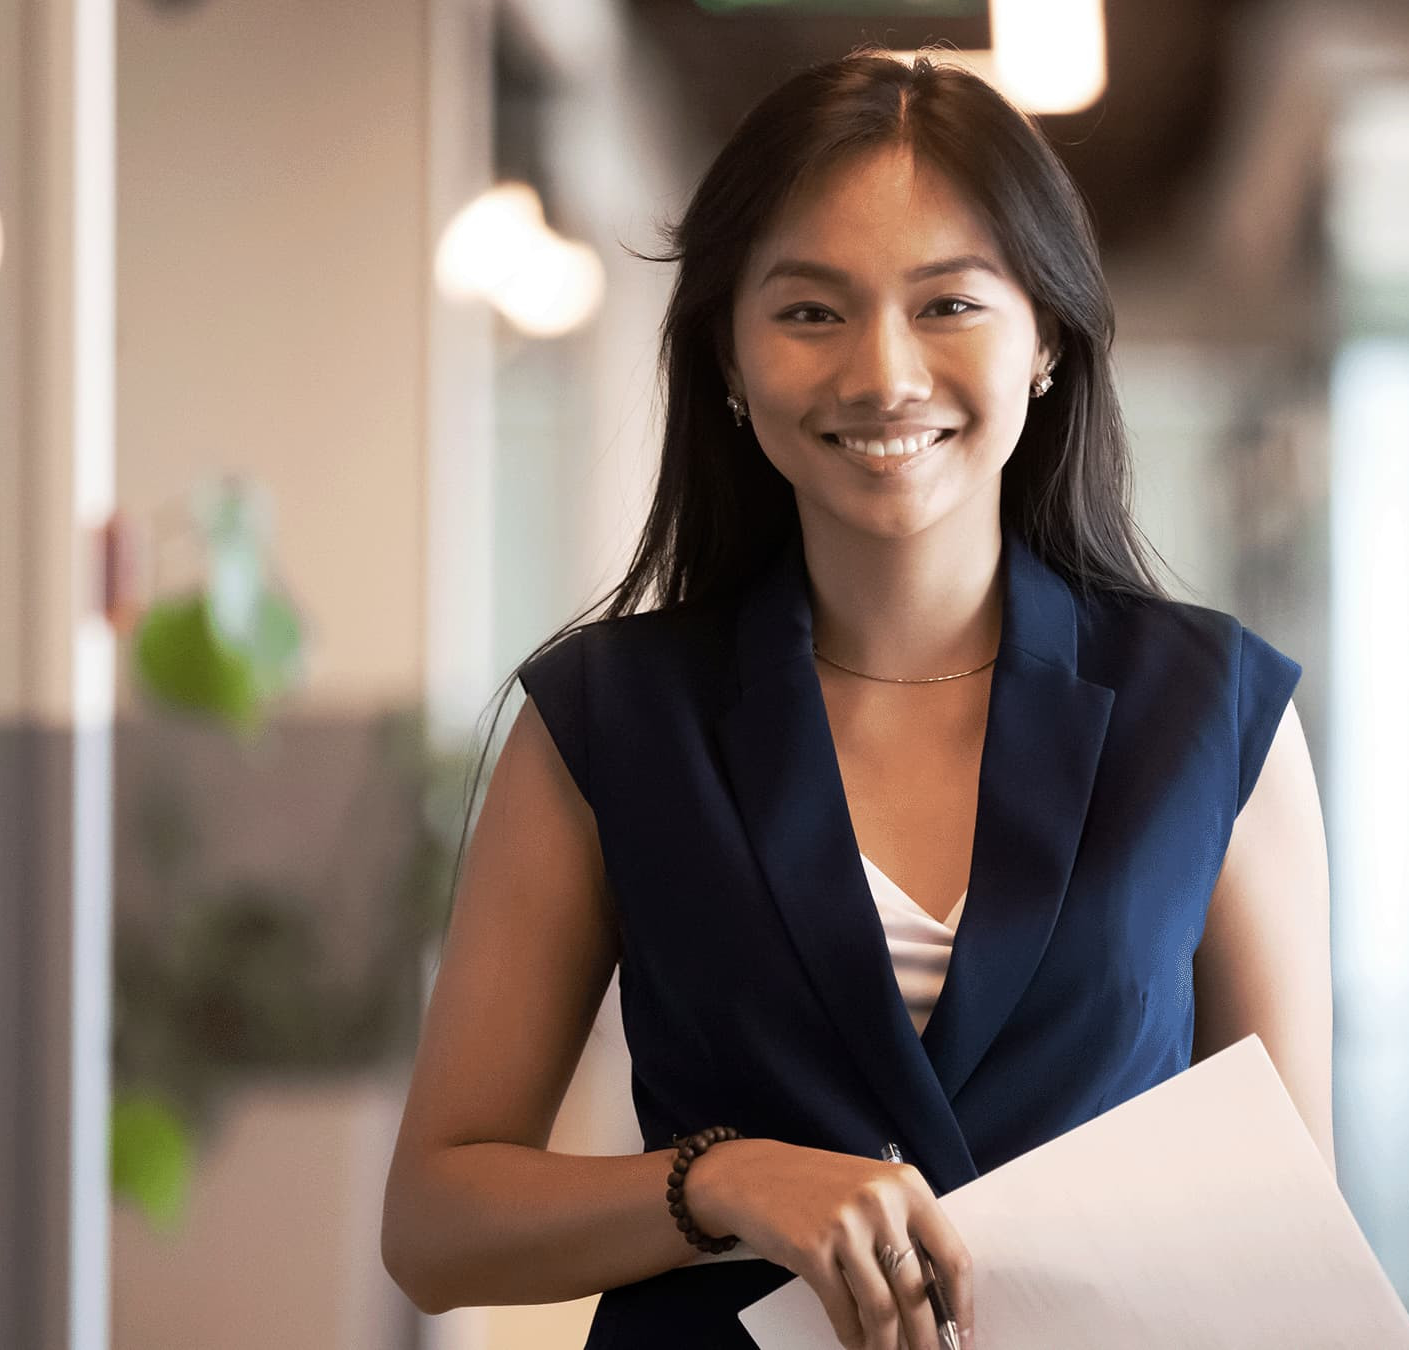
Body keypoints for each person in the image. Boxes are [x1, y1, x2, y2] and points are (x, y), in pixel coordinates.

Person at [382, 49, 1331, 1350]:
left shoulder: (1213, 715)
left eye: (949, 304)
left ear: (1046, 337)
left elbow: (1288, 1233)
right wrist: (714, 1182)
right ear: (726, 353)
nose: (883, 372)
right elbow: (435, 1221)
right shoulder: (605, 718)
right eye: (812, 311)